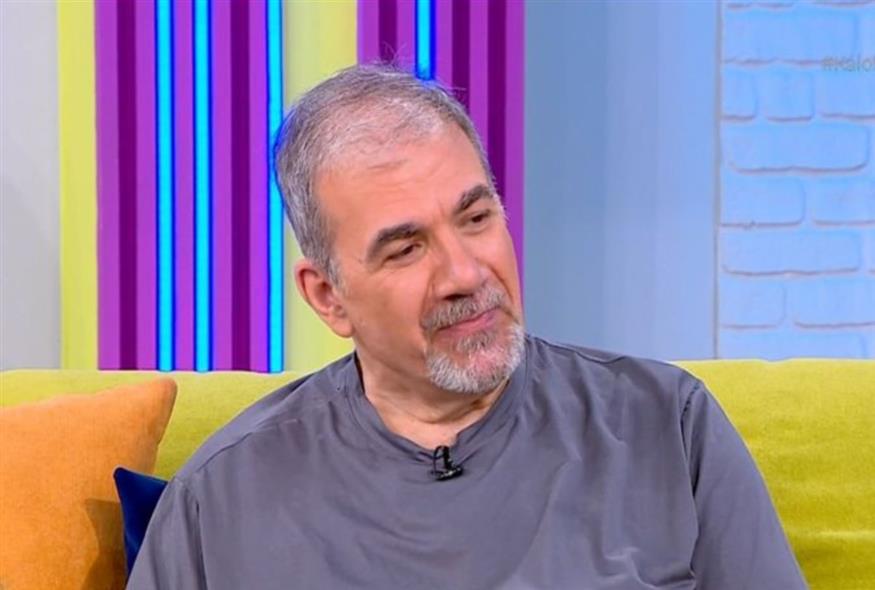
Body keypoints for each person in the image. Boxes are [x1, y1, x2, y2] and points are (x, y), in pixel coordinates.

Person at [128, 64, 807, 589]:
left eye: (476, 218)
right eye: (406, 249)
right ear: (328, 297)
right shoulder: (219, 502)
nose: (464, 272)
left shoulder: (665, 427)